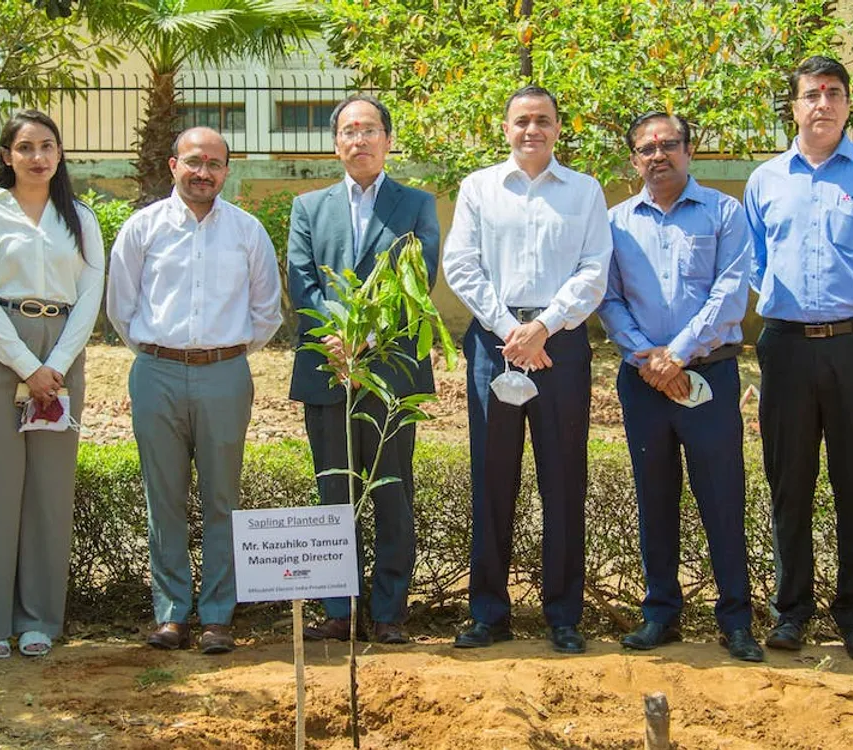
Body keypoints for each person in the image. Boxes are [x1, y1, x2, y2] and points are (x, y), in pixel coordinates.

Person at [744, 56, 853, 660]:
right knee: (789, 482)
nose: (823, 103)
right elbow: (758, 263)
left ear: (847, 104)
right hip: (785, 347)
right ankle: (791, 612)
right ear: (794, 105)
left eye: (834, 93)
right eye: (812, 93)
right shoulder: (766, 180)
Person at [443, 85, 612, 654]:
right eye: (521, 121)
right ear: (506, 128)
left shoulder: (585, 191)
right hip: (495, 343)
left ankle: (563, 615)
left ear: (559, 127)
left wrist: (546, 326)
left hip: (560, 347)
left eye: (542, 120)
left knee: (563, 480)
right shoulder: (479, 188)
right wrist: (507, 329)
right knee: (493, 479)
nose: (531, 129)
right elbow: (460, 264)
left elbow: (594, 269)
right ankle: (489, 613)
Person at [107, 127, 281, 654]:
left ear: (227, 170)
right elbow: (121, 306)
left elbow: (267, 311)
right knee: (164, 499)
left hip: (225, 374)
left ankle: (218, 617)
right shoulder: (142, 228)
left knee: (222, 499)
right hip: (156, 372)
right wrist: (162, 354)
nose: (203, 171)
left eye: (215, 163)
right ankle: (171, 614)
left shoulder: (248, 232)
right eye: (193, 161)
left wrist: (223, 357)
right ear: (172, 164)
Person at [598, 113, 763, 662]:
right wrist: (646, 355)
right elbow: (609, 297)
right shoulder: (615, 223)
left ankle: (736, 620)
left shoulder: (724, 213)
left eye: (669, 144)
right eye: (646, 148)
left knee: (721, 496)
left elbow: (730, 291)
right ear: (633, 160)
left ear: (689, 151)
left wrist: (679, 354)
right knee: (655, 495)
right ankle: (660, 614)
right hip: (642, 378)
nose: (658, 155)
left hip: (709, 373)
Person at [287, 95, 440, 645]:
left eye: (369, 130)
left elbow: (419, 281)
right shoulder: (309, 207)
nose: (359, 140)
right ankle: (337, 608)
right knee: (333, 488)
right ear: (336, 144)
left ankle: (389, 611)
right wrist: (338, 341)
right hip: (328, 369)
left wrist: (366, 342)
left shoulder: (417, 204)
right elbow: (302, 282)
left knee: (392, 488)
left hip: (391, 371)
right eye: (349, 131)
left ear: (388, 140)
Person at [0, 110, 105, 659]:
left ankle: (40, 617)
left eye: (47, 146)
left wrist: (57, 364)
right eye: (24, 147)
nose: (37, 157)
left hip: (62, 349)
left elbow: (92, 292)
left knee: (49, 489)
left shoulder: (80, 216)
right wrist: (25, 365)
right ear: (6, 156)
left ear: (61, 154)